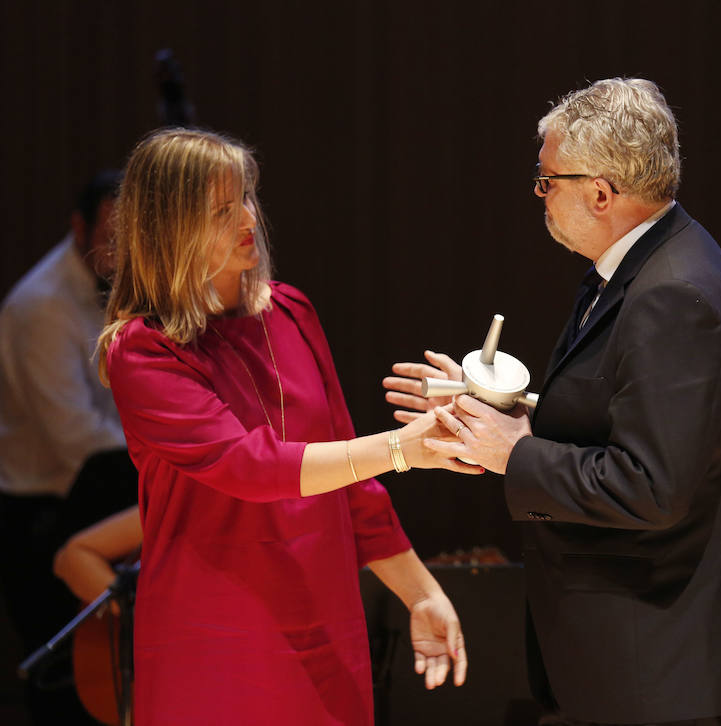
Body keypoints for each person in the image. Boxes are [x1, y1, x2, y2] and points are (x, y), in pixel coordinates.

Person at [384, 78, 721, 725]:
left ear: (601, 192)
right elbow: (621, 418)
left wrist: (514, 453)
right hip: (634, 653)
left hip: (659, 664)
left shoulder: (672, 296)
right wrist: (495, 408)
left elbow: (652, 486)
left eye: (548, 181)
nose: (539, 196)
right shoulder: (637, 264)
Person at [96, 127, 476, 726]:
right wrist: (402, 447)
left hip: (324, 626)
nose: (247, 216)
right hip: (212, 639)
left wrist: (421, 592)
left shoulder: (291, 310)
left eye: (246, 196)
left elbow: (355, 488)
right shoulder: (141, 351)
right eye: (221, 210)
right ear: (169, 228)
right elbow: (251, 467)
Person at [0, 170, 137, 726]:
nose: (116, 250)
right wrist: (174, 443)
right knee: (64, 692)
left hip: (96, 501)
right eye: (107, 233)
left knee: (108, 678)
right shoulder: (41, 307)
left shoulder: (114, 286)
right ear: (78, 227)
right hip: (41, 511)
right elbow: (77, 438)